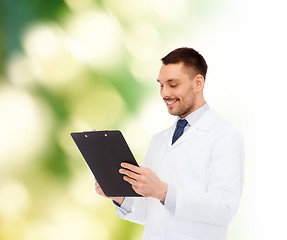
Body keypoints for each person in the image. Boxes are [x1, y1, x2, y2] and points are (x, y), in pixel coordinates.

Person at [95, 47, 244, 240]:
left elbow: (225, 208)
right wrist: (119, 196)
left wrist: (164, 192)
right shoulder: (160, 139)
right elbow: (153, 214)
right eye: (161, 85)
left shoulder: (225, 135)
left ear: (198, 82)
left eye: (173, 85)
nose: (164, 93)